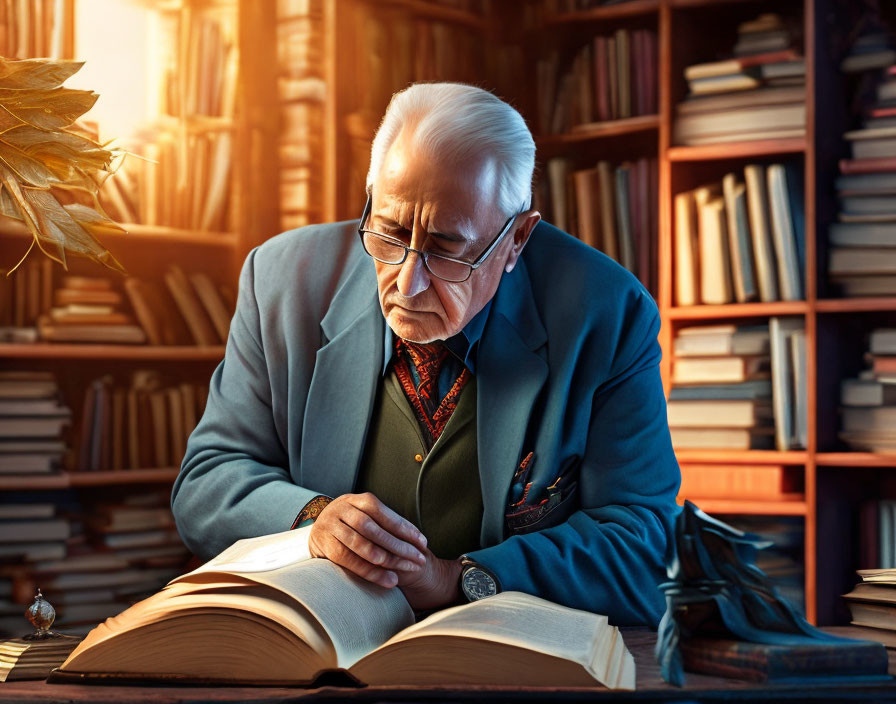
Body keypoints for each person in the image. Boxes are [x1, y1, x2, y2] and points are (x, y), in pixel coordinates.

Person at [171, 82, 681, 627]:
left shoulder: (608, 312)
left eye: (445, 248)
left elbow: (645, 538)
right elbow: (206, 481)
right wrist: (313, 521)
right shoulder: (281, 281)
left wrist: (457, 579)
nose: (407, 283)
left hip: (504, 652)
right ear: (369, 200)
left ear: (516, 242)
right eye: (389, 233)